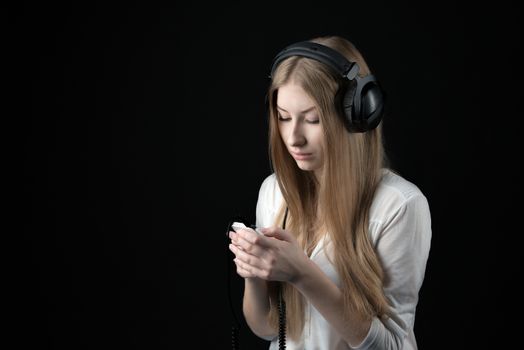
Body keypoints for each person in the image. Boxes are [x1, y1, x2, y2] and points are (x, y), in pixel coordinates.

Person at [227, 35, 431, 350]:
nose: (293, 137)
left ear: (357, 115)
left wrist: (302, 273)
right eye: (283, 118)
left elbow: (390, 345)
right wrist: (254, 273)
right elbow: (268, 329)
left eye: (312, 119)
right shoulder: (273, 193)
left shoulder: (399, 206)